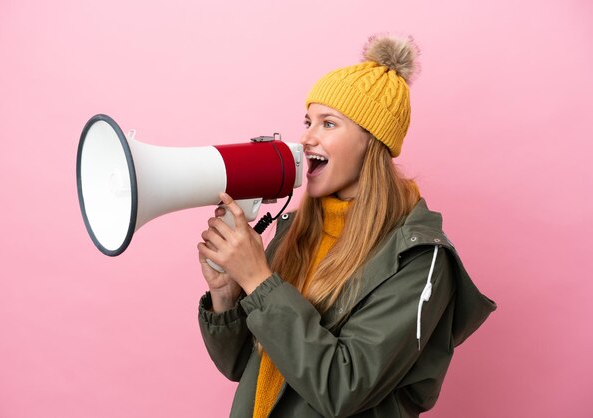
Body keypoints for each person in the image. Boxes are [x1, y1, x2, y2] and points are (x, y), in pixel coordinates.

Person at [196, 34, 496, 418]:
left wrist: (258, 280)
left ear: (371, 142)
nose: (306, 137)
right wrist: (225, 296)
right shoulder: (296, 232)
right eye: (307, 121)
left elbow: (344, 388)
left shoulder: (418, 258)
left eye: (329, 123)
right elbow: (242, 364)